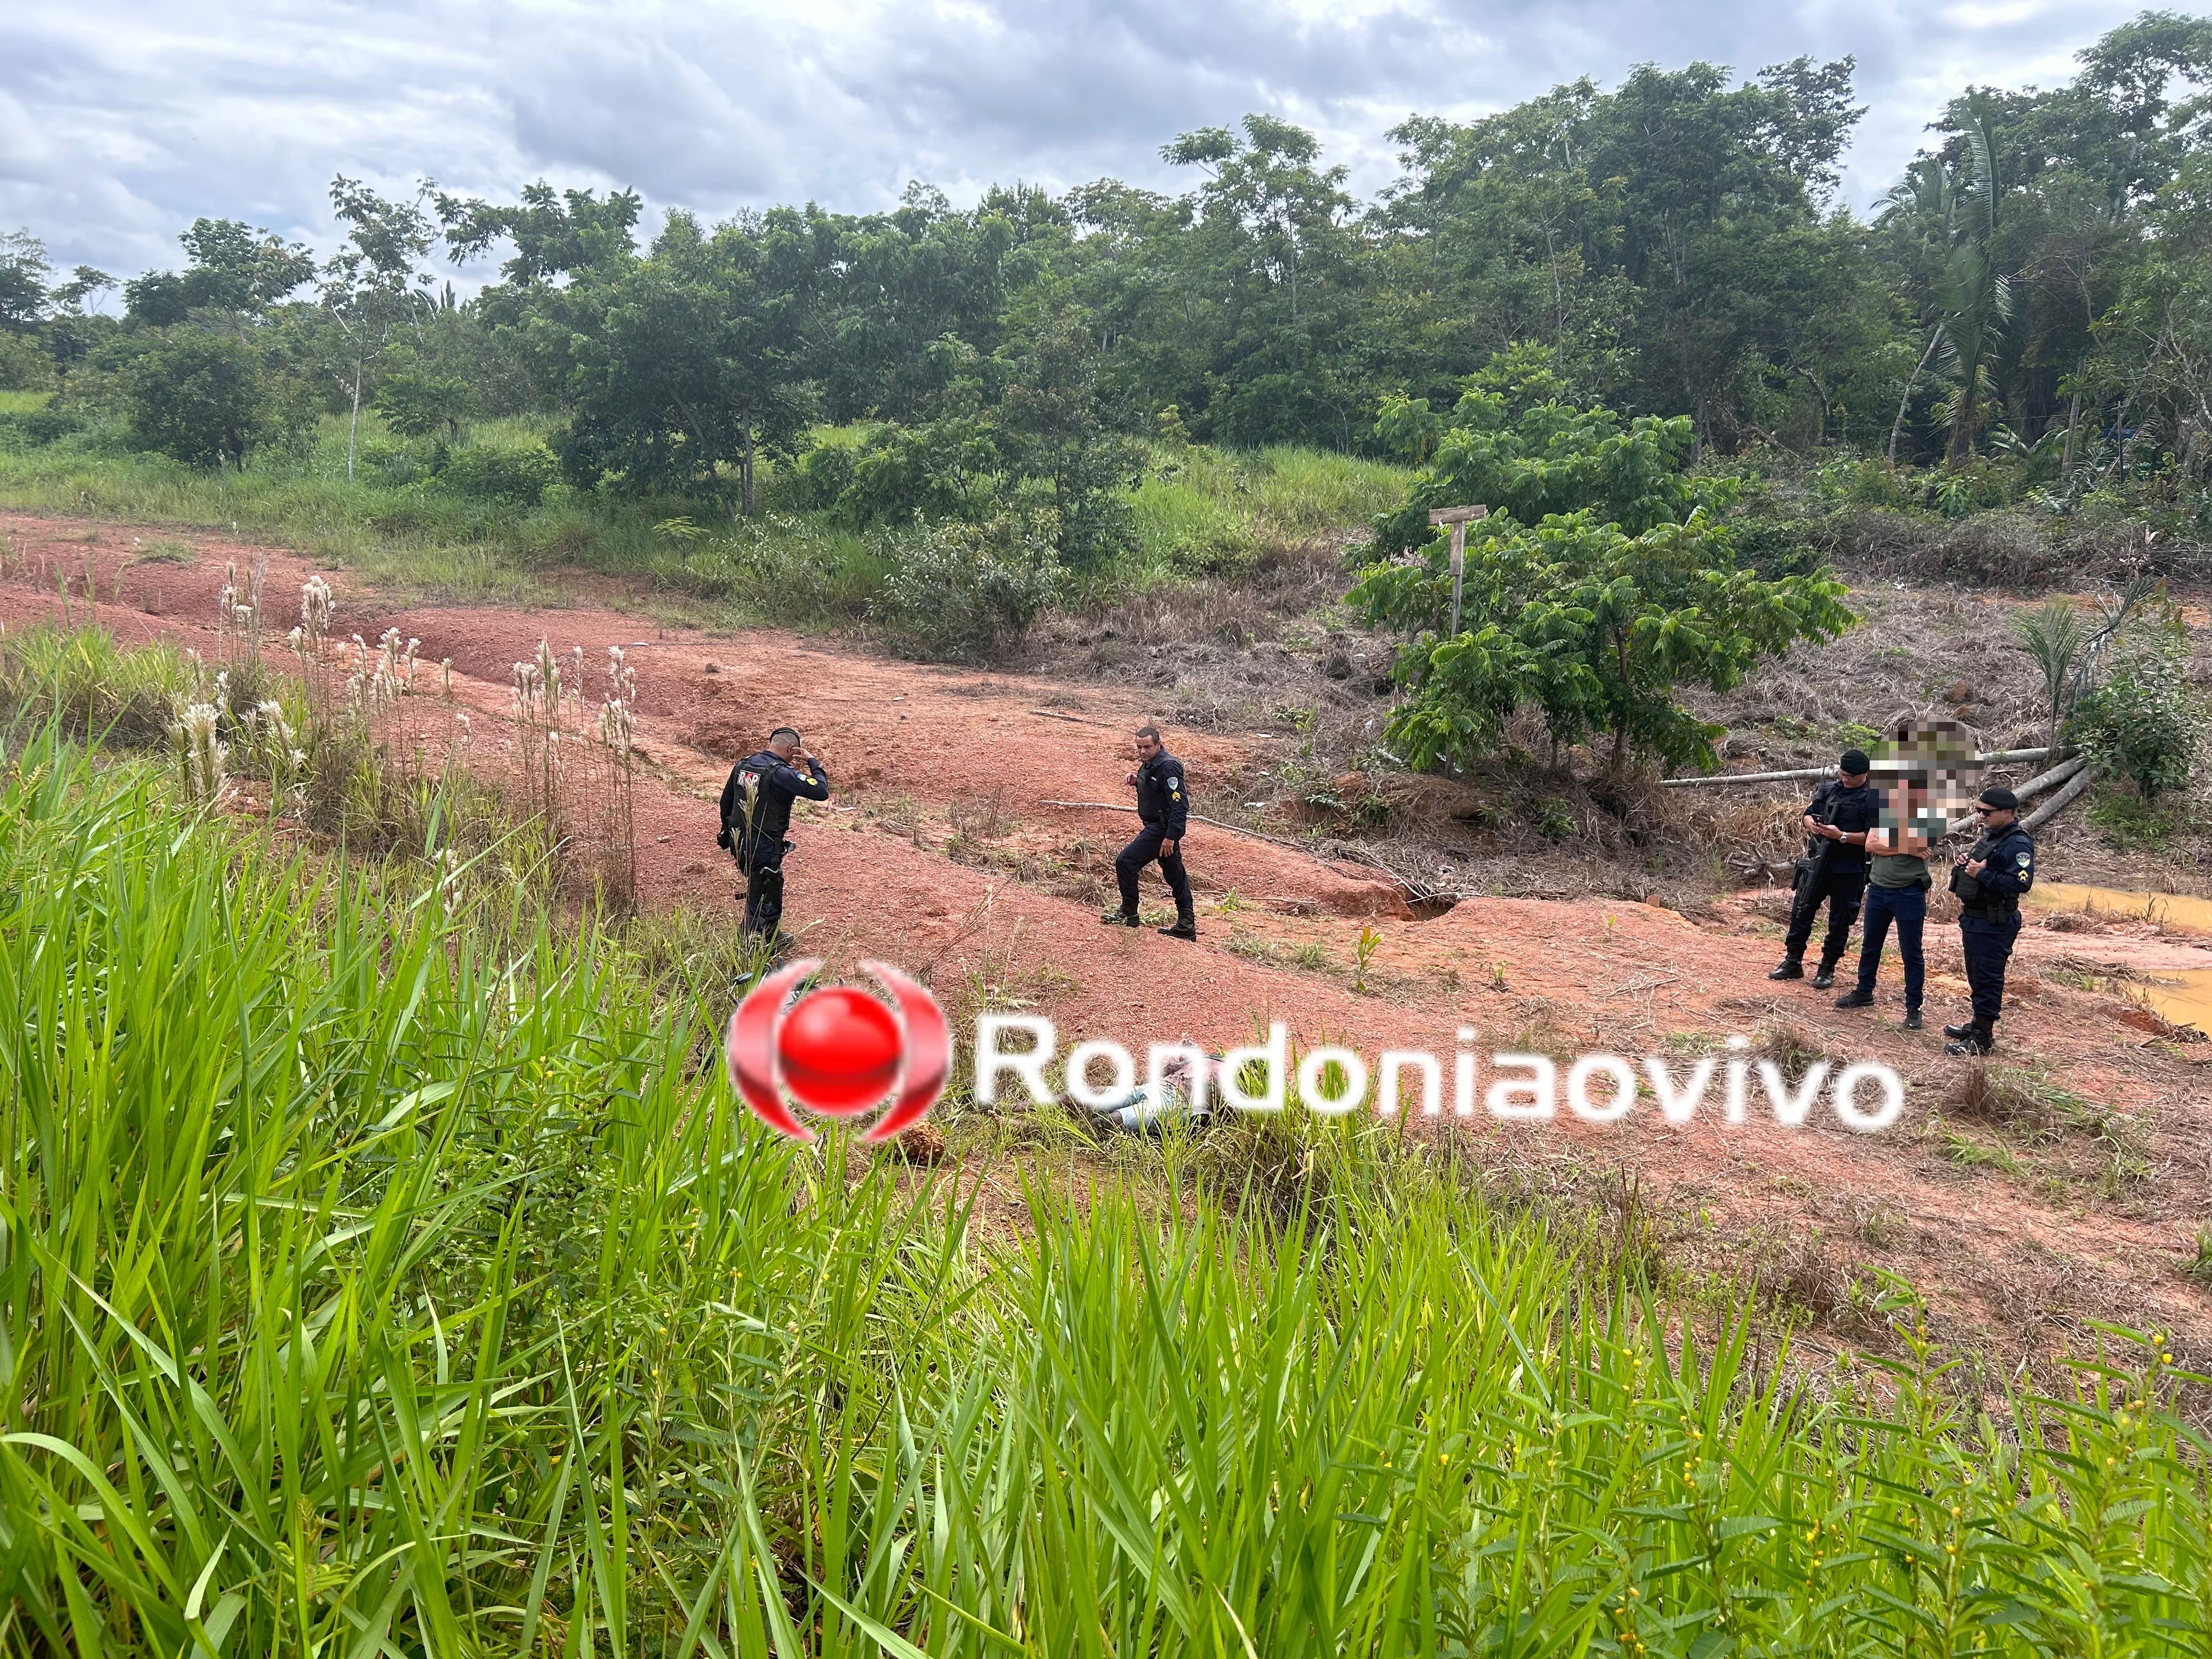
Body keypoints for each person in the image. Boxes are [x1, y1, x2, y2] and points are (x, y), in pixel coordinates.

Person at [1769, 749, 1880, 988]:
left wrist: (1841, 837)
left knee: (1840, 922)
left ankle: (1827, 967)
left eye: (1850, 776)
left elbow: (1873, 838)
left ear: (1866, 775)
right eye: (1842, 774)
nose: (1845, 779)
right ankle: (1793, 961)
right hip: (1819, 861)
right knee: (1802, 910)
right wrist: (1811, 824)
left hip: (1849, 868)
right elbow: (1809, 813)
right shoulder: (1830, 789)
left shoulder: (1874, 799)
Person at [1832, 768, 1932, 1029]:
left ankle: (1914, 1007)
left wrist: (1893, 843)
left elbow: (1921, 845)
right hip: (1878, 889)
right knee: (1870, 945)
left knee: (1911, 952)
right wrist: (1906, 846)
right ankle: (1864, 992)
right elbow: (1870, 845)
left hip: (1909, 892)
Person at [1944, 786, 2036, 1056]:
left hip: (1995, 921)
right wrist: (1967, 863)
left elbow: (2022, 883)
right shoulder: (1993, 837)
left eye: (1985, 812)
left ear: (2006, 813)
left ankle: (1982, 1039)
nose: (1980, 816)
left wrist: (1980, 875)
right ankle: (1976, 1026)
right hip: (1976, 918)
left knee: (1988, 978)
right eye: (1978, 810)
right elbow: (1979, 867)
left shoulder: (2017, 844)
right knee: (1977, 975)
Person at [717, 727, 830, 945]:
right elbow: (821, 791)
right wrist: (811, 760)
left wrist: (726, 831)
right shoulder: (782, 773)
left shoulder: (744, 765)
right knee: (762, 889)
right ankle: (748, 948)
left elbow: (726, 801)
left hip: (738, 840)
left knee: (769, 884)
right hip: (764, 844)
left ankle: (769, 936)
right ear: (791, 749)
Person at [1101, 724, 1197, 941]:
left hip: (1161, 830)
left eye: (1147, 747)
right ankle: (1186, 924)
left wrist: (1171, 837)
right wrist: (1138, 782)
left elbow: (1179, 805)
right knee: (1175, 875)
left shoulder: (1169, 767)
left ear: (1159, 745)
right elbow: (1157, 790)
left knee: (1126, 862)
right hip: (1157, 827)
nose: (1143, 752)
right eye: (1139, 748)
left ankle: (1129, 914)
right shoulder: (1149, 764)